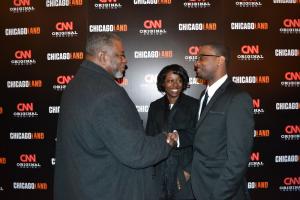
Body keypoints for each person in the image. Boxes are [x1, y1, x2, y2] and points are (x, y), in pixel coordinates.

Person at [53, 33, 178, 200]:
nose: (125, 60)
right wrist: (166, 141)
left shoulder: (75, 84)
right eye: (121, 55)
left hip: (83, 187)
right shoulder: (106, 93)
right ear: (103, 56)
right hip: (107, 190)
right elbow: (135, 152)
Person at [191, 43, 254, 200]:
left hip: (222, 193)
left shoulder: (238, 98)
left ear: (220, 60)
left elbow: (238, 159)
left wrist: (219, 196)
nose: (196, 63)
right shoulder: (203, 96)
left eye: (201, 58)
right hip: (201, 187)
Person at [146, 64, 199, 200]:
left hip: (183, 170)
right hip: (159, 172)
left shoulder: (194, 105)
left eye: (179, 80)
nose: (175, 84)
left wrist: (189, 170)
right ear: (163, 83)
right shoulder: (155, 106)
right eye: (170, 81)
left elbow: (201, 140)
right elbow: (149, 138)